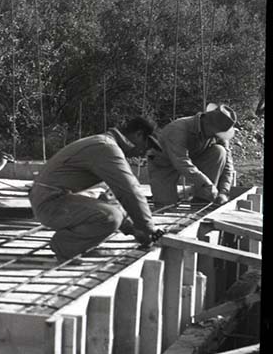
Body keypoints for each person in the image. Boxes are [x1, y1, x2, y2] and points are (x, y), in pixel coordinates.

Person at [29, 117, 161, 261]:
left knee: (112, 209)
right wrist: (149, 228)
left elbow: (111, 197)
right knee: (111, 217)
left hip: (54, 199)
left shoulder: (104, 145)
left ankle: (78, 245)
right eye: (146, 147)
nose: (142, 153)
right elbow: (130, 191)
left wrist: (134, 230)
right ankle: (66, 246)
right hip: (49, 204)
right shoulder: (106, 148)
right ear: (139, 135)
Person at [149, 103, 237, 208]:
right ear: (207, 123)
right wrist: (207, 185)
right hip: (164, 163)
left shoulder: (217, 131)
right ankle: (171, 197)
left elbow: (227, 163)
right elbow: (181, 162)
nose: (216, 136)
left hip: (193, 158)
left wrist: (223, 192)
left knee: (219, 151)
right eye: (215, 132)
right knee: (166, 206)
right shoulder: (178, 129)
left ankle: (201, 200)